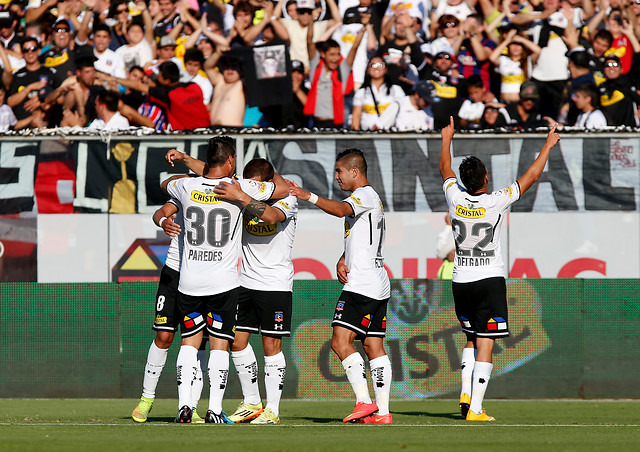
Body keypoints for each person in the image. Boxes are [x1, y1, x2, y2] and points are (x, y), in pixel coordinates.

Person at [439, 116, 560, 421]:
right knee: (486, 342)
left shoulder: (454, 198)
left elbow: (444, 170)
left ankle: (465, 392)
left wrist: (446, 139)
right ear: (486, 178)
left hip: (461, 280)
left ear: (463, 181)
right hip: (489, 279)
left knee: (469, 337)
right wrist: (547, 145)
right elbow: (530, 177)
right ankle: (475, 409)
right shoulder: (495, 201)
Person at [161, 136, 289, 424]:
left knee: (189, 344)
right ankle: (214, 409)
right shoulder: (240, 187)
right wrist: (242, 193)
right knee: (220, 345)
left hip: (189, 282)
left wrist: (188, 170)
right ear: (231, 160)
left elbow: (165, 184)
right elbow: (282, 188)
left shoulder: (185, 186)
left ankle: (184, 407)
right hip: (223, 285)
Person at [289, 148, 392, 424]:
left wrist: (306, 195)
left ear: (354, 171)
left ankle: (364, 402)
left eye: (339, 171)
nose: (336, 177)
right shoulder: (371, 199)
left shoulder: (363, 196)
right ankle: (382, 414)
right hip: (376, 280)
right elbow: (366, 237)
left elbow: (339, 210)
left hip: (362, 284)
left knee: (339, 340)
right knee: (373, 346)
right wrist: (343, 257)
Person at [222, 158, 298, 425]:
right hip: (245, 283)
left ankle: (273, 410)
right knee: (237, 341)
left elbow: (271, 216)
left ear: (266, 185)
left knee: (270, 345)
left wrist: (242, 195)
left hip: (275, 285)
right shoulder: (241, 201)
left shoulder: (288, 199)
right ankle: (252, 402)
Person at [131, 201, 208, 424]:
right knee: (164, 336)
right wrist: (164, 221)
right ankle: (146, 399)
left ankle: (190, 407)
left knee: (197, 342)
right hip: (174, 273)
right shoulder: (185, 187)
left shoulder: (225, 191)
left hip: (205, 276)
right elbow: (160, 213)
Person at [435, 213, 455, 280]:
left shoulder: (460, 230)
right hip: (447, 275)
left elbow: (440, 252)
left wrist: (448, 226)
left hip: (457, 275)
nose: (447, 215)